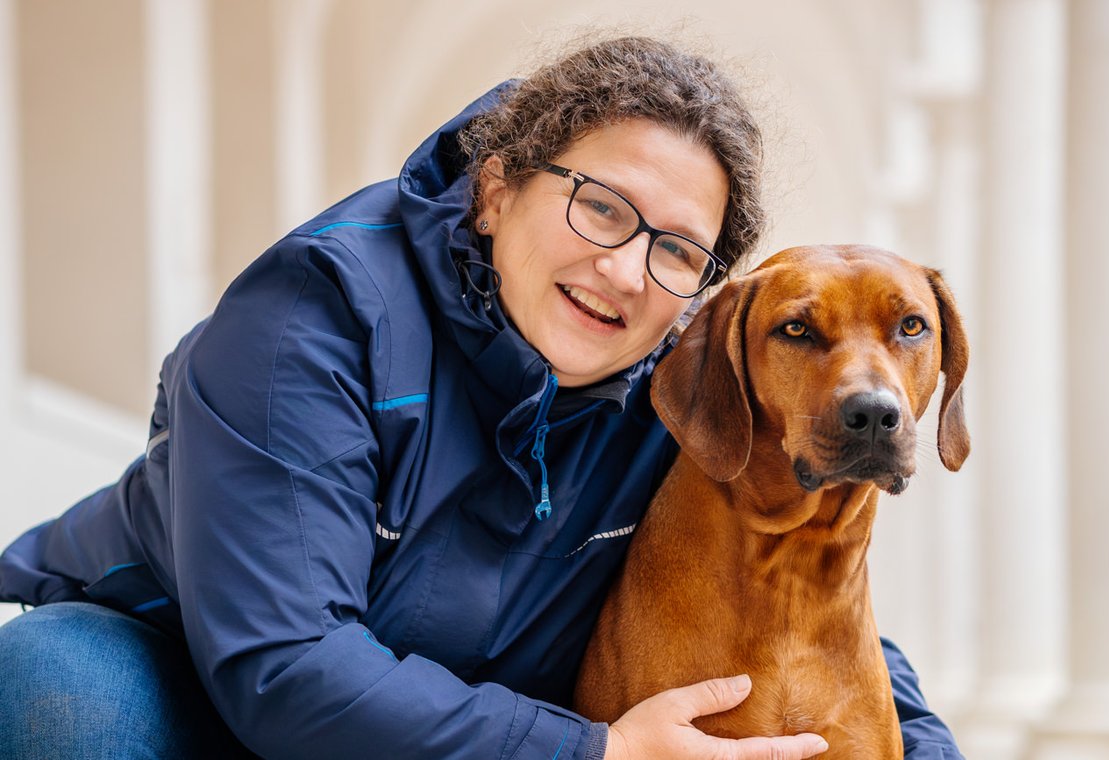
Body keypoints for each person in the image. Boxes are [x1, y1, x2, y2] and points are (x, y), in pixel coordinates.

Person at [0, 36, 963, 760]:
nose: (625, 271)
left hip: (448, 716)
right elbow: (283, 662)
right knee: (57, 695)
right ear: (495, 191)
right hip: (192, 675)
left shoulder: (680, 384)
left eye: (675, 249)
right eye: (601, 206)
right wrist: (591, 751)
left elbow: (793, 580)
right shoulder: (313, 319)